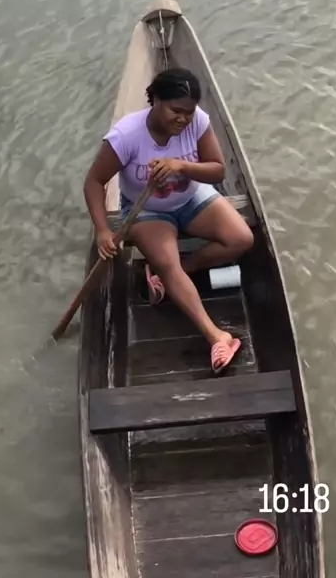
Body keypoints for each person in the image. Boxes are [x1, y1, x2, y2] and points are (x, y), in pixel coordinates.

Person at [83, 67, 254, 373]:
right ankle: (217, 336)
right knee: (167, 262)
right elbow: (94, 182)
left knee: (242, 239)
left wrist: (181, 166)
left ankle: (175, 273)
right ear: (156, 100)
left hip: (192, 198)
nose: (183, 119)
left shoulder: (198, 121)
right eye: (176, 110)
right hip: (147, 210)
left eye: (189, 112)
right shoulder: (127, 135)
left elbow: (217, 170)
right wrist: (102, 230)